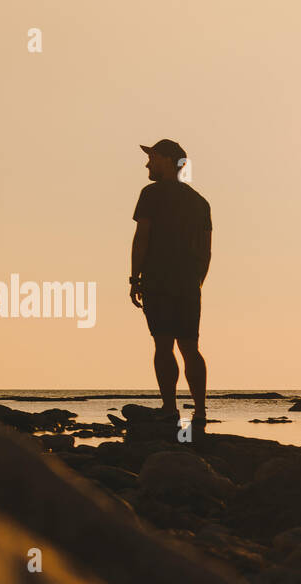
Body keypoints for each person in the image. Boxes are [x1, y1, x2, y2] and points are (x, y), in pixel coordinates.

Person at [129, 139, 212, 427]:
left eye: (151, 157)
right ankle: (199, 411)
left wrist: (134, 277)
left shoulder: (150, 194)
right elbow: (206, 249)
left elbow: (142, 237)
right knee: (190, 346)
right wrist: (197, 280)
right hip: (189, 283)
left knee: (163, 344)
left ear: (166, 159)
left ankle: (169, 408)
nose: (147, 163)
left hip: (159, 279)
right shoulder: (200, 201)